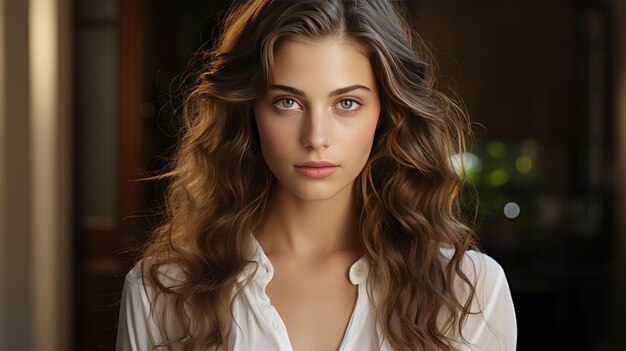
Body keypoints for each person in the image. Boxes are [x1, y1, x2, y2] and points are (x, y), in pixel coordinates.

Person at [116, 0, 517, 350]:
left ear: (387, 113)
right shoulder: (161, 293)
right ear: (249, 110)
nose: (315, 137)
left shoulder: (470, 292)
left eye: (346, 103)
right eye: (287, 102)